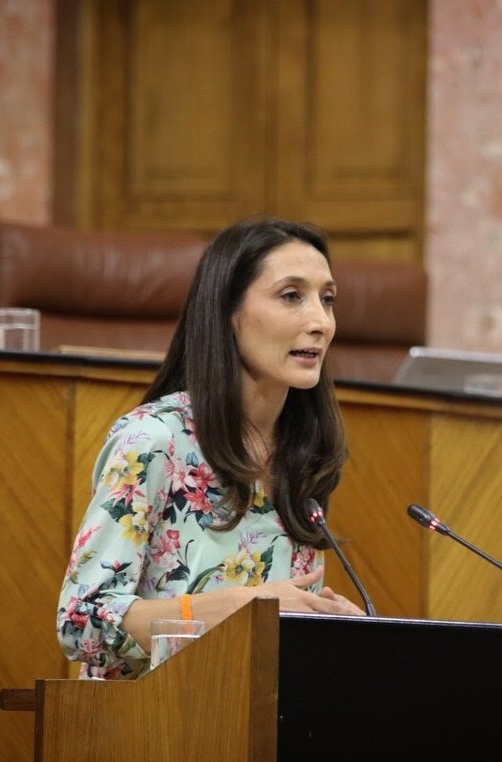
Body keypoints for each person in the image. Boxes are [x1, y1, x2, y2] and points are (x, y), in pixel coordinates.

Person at [57, 217, 365, 679]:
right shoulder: (154, 439)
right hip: (147, 714)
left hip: (252, 710)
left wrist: (330, 628)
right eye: (291, 296)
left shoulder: (303, 451)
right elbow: (80, 622)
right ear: (226, 311)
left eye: (328, 300)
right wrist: (237, 608)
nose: (320, 322)